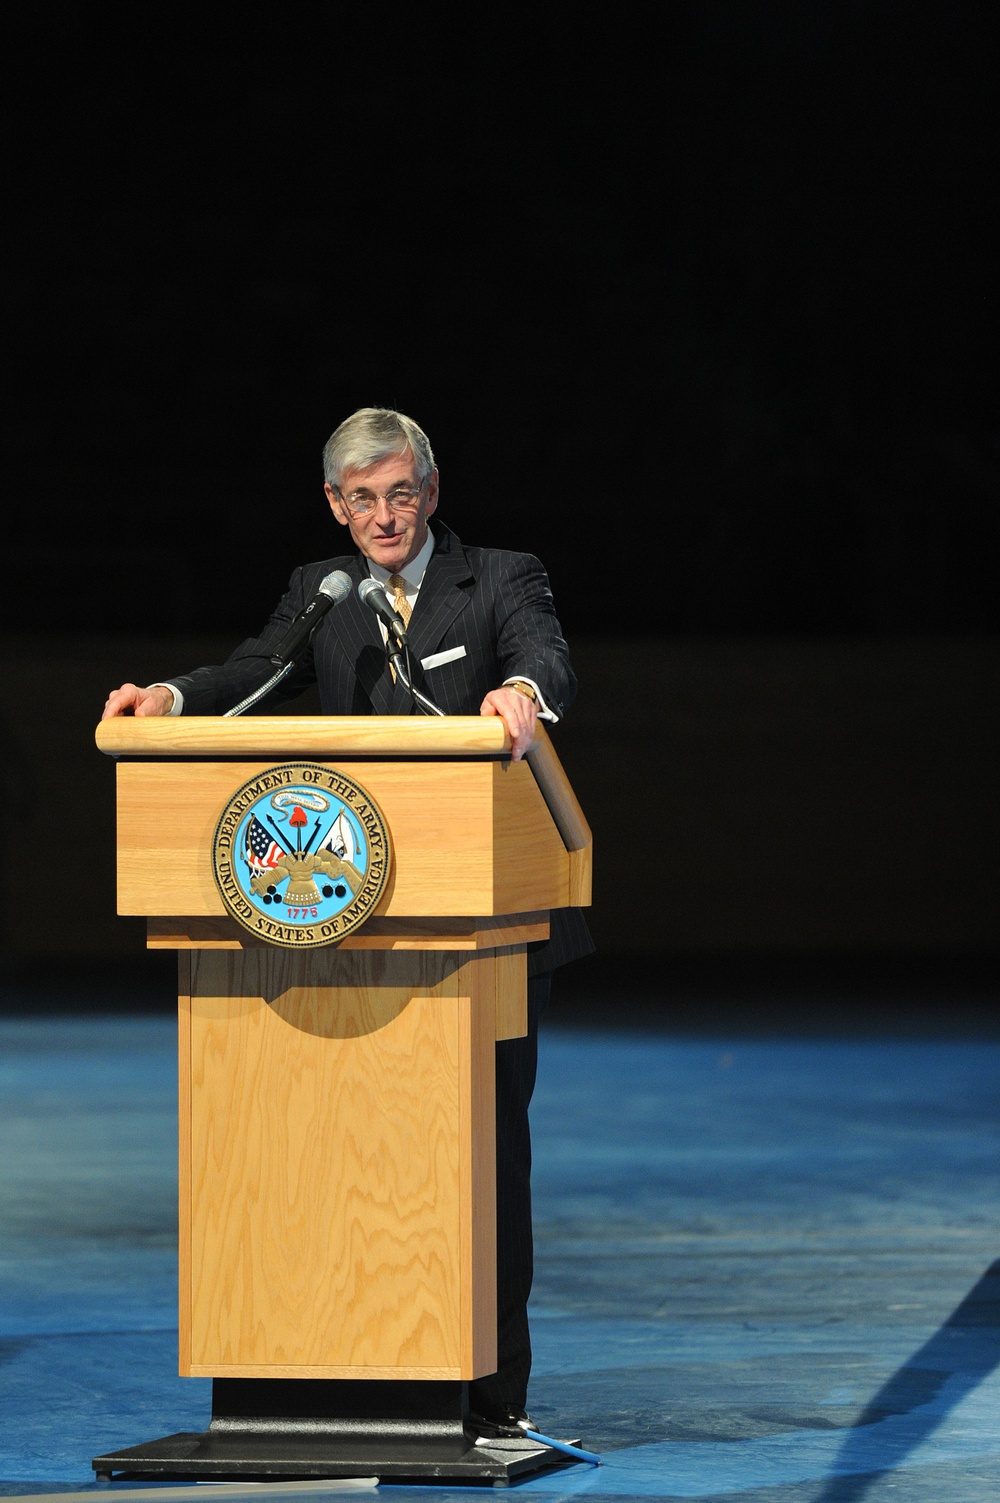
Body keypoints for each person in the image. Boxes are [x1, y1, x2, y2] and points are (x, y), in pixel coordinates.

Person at [102, 406, 592, 1430]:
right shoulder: (320, 592)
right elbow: (256, 672)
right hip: (339, 921)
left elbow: (546, 658)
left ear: (431, 490)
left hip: (480, 916)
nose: (383, 515)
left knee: (486, 1162)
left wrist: (517, 691)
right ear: (334, 502)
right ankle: (327, 1372)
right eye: (360, 498)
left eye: (400, 493)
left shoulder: (500, 577)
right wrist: (171, 699)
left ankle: (489, 1399)